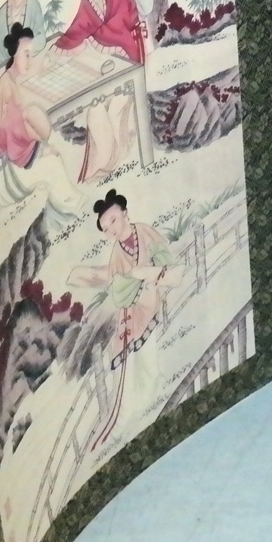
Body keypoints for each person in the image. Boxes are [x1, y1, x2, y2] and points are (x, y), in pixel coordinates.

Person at [64, 190, 183, 449]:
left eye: (113, 220)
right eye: (106, 229)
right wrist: (134, 278)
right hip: (129, 313)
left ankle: (153, 397)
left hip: (148, 304)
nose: (111, 230)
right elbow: (118, 289)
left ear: (125, 214)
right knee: (127, 368)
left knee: (149, 359)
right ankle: (129, 415)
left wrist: (148, 274)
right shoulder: (117, 253)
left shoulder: (144, 232)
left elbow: (166, 260)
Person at [45, 0, 144, 182]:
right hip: (111, 61)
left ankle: (117, 162)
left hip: (130, 51)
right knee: (96, 109)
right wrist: (55, 50)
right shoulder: (86, 3)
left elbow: (122, 19)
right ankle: (100, 167)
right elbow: (76, 31)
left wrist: (93, 38)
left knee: (117, 106)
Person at [0, 24, 83, 227]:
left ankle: (67, 210)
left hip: (13, 161)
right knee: (53, 162)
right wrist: (41, 150)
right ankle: (72, 211)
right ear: (14, 55)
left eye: (31, 55)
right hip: (6, 175)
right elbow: (9, 138)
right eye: (26, 54)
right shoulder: (6, 85)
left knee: (53, 152)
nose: (30, 60)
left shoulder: (12, 82)